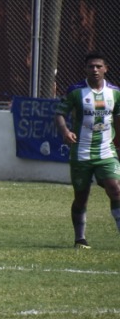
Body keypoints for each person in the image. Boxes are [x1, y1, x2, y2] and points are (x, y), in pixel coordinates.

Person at [53, 51, 120, 249]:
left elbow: (118, 118)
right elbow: (59, 113)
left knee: (115, 189)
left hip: (106, 151)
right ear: (85, 69)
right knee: (81, 196)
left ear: (106, 68)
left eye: (99, 66)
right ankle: (80, 239)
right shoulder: (75, 91)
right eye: (91, 66)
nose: (95, 70)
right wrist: (65, 131)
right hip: (81, 152)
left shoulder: (115, 92)